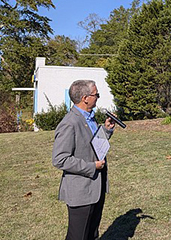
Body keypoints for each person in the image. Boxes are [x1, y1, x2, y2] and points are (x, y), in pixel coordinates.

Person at [52, 80, 115, 240]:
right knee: (78, 236)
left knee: (91, 233)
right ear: (85, 98)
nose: (98, 97)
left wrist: (106, 130)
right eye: (96, 94)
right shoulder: (69, 123)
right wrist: (91, 166)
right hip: (81, 190)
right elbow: (60, 159)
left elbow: (93, 146)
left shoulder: (90, 118)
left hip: (96, 186)